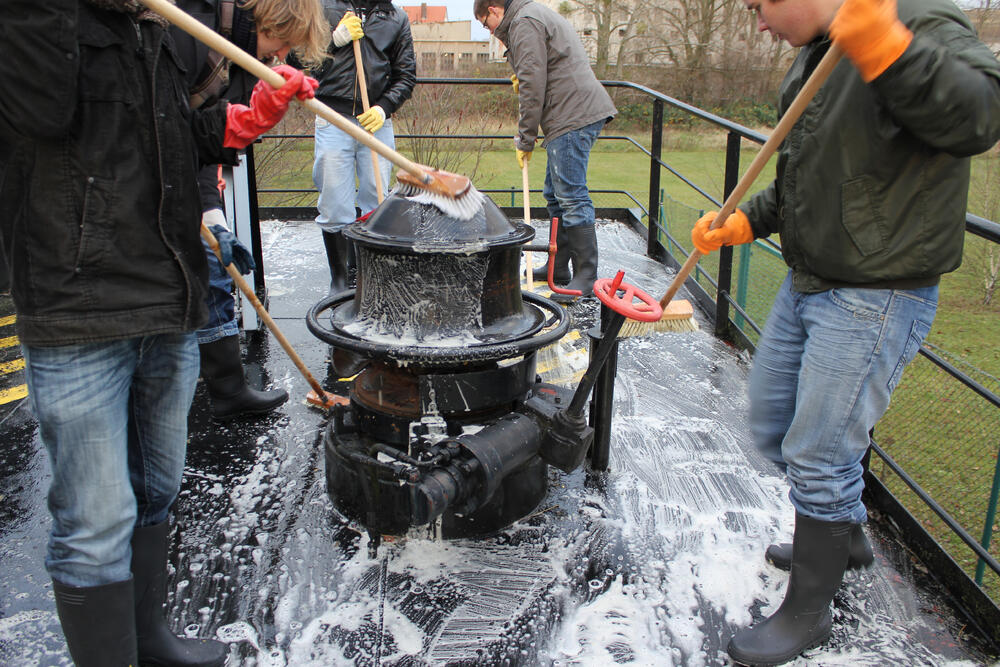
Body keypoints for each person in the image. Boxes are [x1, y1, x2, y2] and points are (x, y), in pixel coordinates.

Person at [0, 1, 317, 665]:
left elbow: (185, 136)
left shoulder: (159, 27)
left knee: (156, 487)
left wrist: (257, 111)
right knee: (95, 520)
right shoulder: (35, 19)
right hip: (77, 301)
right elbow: (39, 112)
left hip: (168, 295)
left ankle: (149, 640)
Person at [689, 0, 1000, 663]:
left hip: (878, 289)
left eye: (759, 5)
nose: (759, 24)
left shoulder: (915, 18)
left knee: (821, 452)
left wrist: (891, 48)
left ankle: (809, 610)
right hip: (811, 276)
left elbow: (980, 115)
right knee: (772, 419)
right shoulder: (814, 55)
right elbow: (807, 176)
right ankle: (845, 532)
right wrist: (748, 222)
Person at [173, 0, 329, 420]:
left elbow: (195, 140)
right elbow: (170, 135)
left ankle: (227, 389)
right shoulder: (191, 34)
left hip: (184, 178)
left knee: (214, 269)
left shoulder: (231, 53)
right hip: (139, 192)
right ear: (269, 20)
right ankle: (220, 390)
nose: (279, 57)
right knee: (200, 279)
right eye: (282, 44)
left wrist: (214, 219)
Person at [474, 0, 616, 300]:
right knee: (555, 195)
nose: (490, 32)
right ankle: (559, 268)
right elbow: (538, 70)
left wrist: (524, 139)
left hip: (571, 114)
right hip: (568, 113)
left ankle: (586, 277)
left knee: (571, 195)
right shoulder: (529, 16)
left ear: (495, 10)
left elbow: (532, 84)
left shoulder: (524, 22)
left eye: (486, 24)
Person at [307, 0, 416, 293]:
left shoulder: (396, 18)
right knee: (334, 201)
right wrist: (333, 42)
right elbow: (300, 64)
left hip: (376, 122)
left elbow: (405, 75)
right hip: (332, 116)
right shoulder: (322, 10)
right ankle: (341, 279)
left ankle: (368, 274)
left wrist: (383, 108)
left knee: (376, 199)